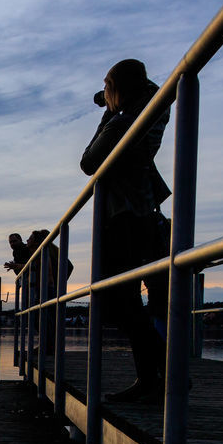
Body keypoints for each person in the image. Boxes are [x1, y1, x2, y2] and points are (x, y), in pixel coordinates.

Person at [80, 58, 171, 403]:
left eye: (107, 85)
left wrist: (107, 113)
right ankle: (157, 376)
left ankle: (161, 374)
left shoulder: (124, 124)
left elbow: (88, 162)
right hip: (141, 213)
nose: (103, 92)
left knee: (120, 301)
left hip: (125, 218)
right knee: (127, 301)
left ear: (118, 87)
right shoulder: (151, 111)